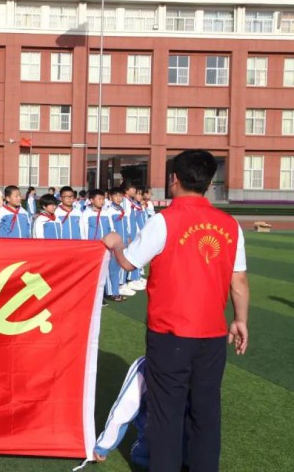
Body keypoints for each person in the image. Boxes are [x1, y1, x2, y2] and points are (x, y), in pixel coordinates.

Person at [102, 149, 249, 472]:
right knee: (206, 411)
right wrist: (240, 320)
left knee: (166, 410)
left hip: (170, 333)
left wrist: (115, 243)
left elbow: (129, 262)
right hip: (212, 334)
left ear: (174, 179)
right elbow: (238, 279)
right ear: (209, 182)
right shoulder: (230, 224)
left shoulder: (164, 220)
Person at [93, 356, 150, 468]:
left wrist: (103, 446)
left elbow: (126, 406)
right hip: (185, 444)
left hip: (159, 444)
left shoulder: (146, 364)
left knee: (140, 456)